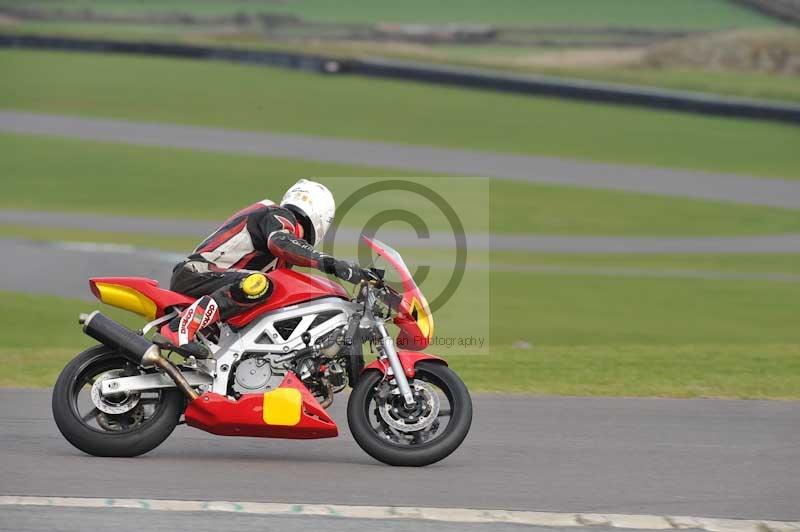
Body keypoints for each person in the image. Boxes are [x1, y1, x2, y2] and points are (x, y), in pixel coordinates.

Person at [158, 179, 368, 355]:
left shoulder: (285, 259)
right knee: (261, 283)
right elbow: (280, 242)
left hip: (218, 285)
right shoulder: (277, 215)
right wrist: (333, 264)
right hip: (198, 272)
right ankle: (181, 328)